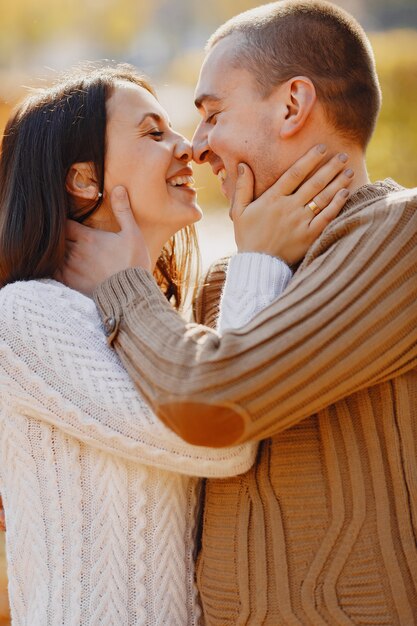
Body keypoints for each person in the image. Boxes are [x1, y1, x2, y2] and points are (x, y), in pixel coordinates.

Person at [61, 2, 417, 625]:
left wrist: (123, 285)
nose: (196, 149)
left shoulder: (401, 237)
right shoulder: (230, 279)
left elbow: (213, 397)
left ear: (291, 105)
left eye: (212, 115)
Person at [0, 63, 349, 625]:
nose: (188, 147)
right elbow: (221, 440)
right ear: (83, 180)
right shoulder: (27, 317)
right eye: (153, 132)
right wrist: (259, 256)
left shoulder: (162, 319)